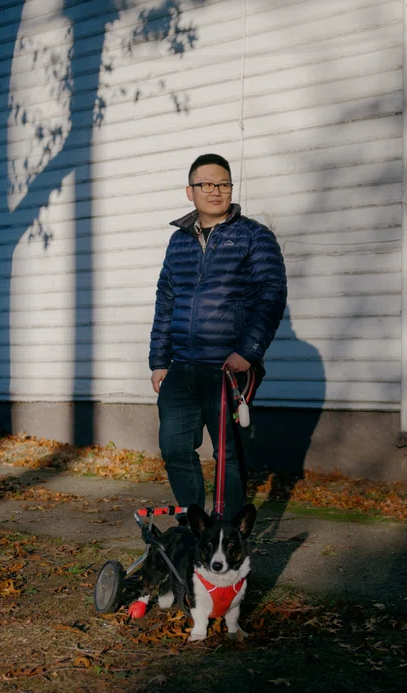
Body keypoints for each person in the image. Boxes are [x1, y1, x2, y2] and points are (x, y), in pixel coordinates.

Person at [149, 153, 287, 522]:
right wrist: (160, 360)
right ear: (190, 191)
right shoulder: (178, 241)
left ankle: (227, 534)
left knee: (229, 457)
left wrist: (248, 351)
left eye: (223, 184)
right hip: (182, 367)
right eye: (207, 184)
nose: (216, 191)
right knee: (174, 449)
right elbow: (166, 300)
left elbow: (271, 295)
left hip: (229, 367)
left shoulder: (254, 236)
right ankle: (195, 527)